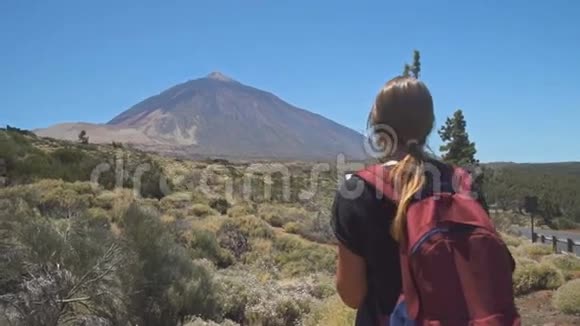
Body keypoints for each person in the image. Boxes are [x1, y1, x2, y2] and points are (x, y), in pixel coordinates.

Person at [330, 76, 514, 325]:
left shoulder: (358, 191)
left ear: (377, 127)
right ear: (429, 126)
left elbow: (352, 295)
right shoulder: (463, 183)